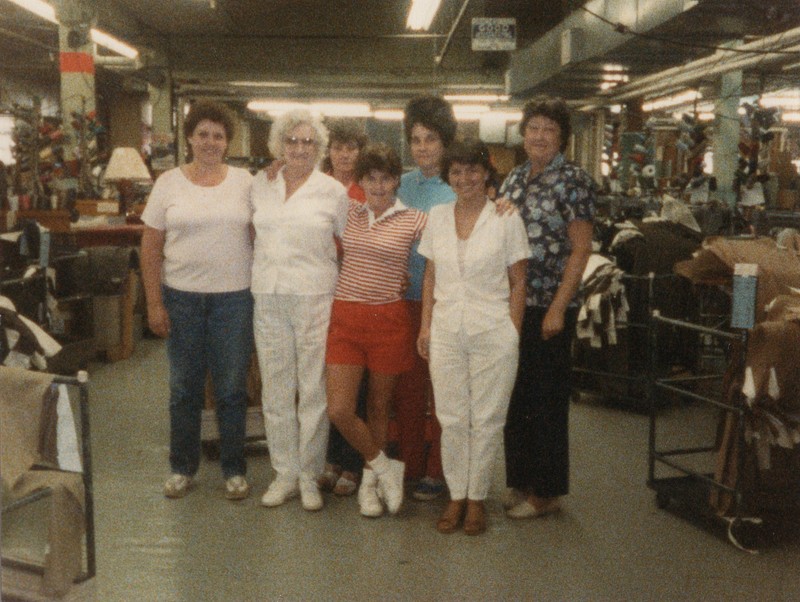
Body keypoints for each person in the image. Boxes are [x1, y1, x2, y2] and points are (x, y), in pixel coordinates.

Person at [140, 101, 254, 501]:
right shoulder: (168, 182)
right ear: (189, 137)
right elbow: (150, 247)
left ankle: (234, 469)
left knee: (231, 389)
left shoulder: (245, 182)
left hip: (234, 300)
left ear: (228, 141)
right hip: (182, 299)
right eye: (203, 134)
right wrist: (155, 304)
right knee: (184, 388)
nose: (210, 142)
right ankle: (182, 467)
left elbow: (263, 231)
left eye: (218, 135)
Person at [417, 140, 529, 535]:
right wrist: (426, 326)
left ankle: (477, 498)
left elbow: (519, 282)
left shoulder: (506, 218)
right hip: (447, 329)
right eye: (456, 172)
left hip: (492, 330)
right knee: (451, 417)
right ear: (448, 177)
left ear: (487, 173)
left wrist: (512, 332)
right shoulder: (438, 215)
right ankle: (456, 495)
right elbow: (431, 275)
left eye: (472, 171)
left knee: (486, 418)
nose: (464, 179)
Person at [500, 96, 596, 519]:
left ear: (562, 138)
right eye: (533, 127)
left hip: (548, 306)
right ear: (523, 133)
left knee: (547, 399)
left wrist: (559, 307)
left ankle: (545, 492)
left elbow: (580, 249)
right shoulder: (514, 179)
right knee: (514, 394)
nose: (539, 136)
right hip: (512, 304)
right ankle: (519, 479)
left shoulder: (574, 181)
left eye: (549, 130)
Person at [251, 109, 349, 512]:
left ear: (319, 148)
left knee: (312, 390)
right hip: (268, 296)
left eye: (308, 142)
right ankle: (284, 473)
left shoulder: (333, 192)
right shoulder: (261, 183)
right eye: (291, 141)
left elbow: (348, 245)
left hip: (313, 298)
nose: (299, 148)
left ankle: (309, 475)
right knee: (275, 389)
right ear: (279, 145)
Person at [326, 144, 427, 517]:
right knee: (339, 408)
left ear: (397, 180)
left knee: (379, 407)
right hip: (346, 319)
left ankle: (370, 484)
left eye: (386, 178)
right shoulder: (348, 211)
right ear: (361, 181)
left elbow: (454, 235)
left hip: (389, 320)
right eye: (371, 178)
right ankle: (386, 469)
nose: (379, 186)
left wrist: (497, 203)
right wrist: (275, 168)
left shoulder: (415, 218)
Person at [394, 95, 456, 502]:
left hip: (445, 302)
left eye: (430, 139)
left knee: (442, 391)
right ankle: (412, 464)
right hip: (404, 301)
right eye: (415, 139)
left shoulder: (460, 183)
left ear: (445, 141)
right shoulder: (400, 184)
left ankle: (438, 469)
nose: (422, 147)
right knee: (410, 389)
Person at [318, 119, 369, 497]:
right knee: (327, 383)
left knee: (356, 384)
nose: (344, 154)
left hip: (357, 293)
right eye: (338, 146)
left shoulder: (368, 190)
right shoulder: (316, 186)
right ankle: (331, 459)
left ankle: (352, 465)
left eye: (351, 147)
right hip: (321, 295)